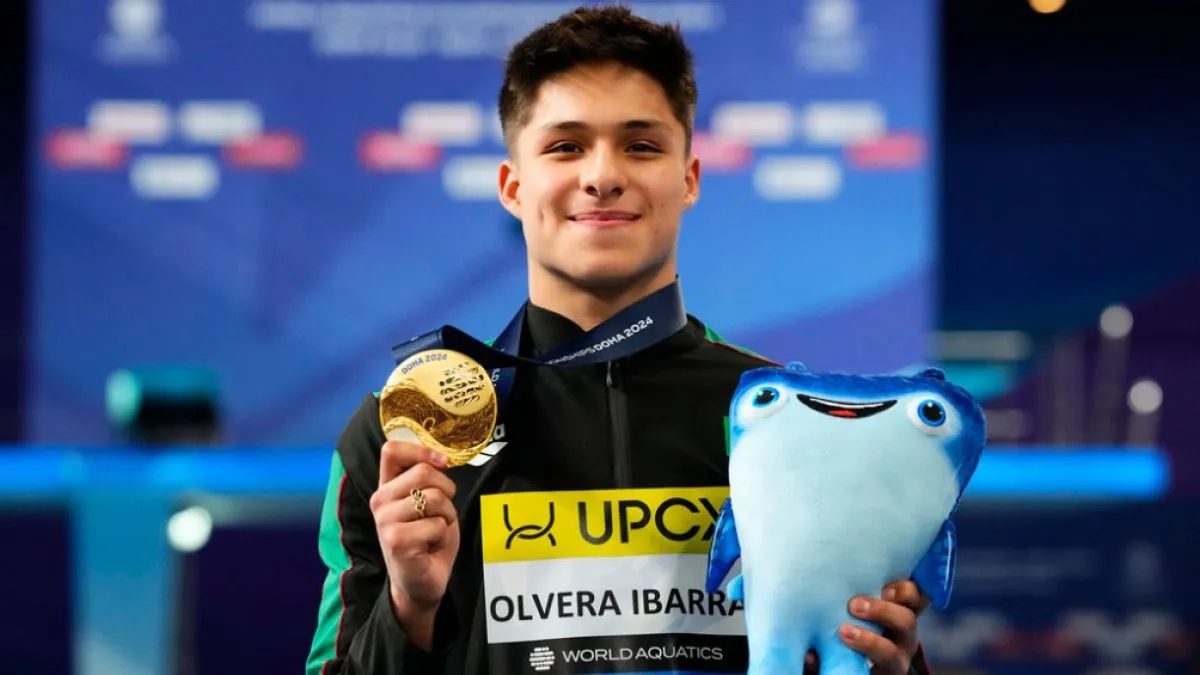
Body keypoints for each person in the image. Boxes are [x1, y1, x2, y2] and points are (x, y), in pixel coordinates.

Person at [306, 5, 934, 674]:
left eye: (640, 145)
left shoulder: (794, 425)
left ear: (688, 178)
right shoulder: (402, 436)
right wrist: (411, 606)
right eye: (565, 145)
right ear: (513, 186)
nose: (602, 175)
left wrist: (886, 664)